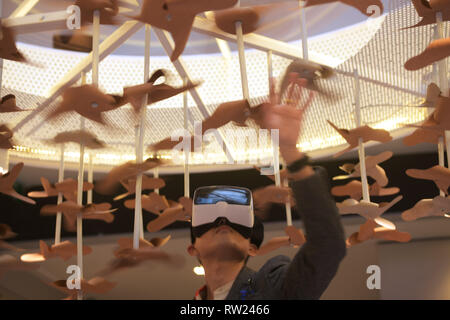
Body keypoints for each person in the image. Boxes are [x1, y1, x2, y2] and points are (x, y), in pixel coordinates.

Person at [187, 76, 347, 300]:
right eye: (208, 219)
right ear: (193, 249)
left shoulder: (274, 285)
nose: (223, 222)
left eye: (237, 220)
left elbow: (328, 246)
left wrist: (291, 152)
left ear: (252, 247)